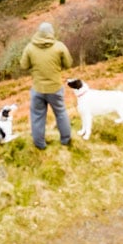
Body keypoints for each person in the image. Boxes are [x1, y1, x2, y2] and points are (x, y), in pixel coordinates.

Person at [19, 21, 73, 150]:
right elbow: (68, 63)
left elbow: (23, 65)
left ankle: (39, 145)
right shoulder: (59, 46)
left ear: (38, 32)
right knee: (61, 113)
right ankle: (65, 141)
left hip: (37, 89)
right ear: (51, 33)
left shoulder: (30, 47)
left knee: (37, 116)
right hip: (55, 88)